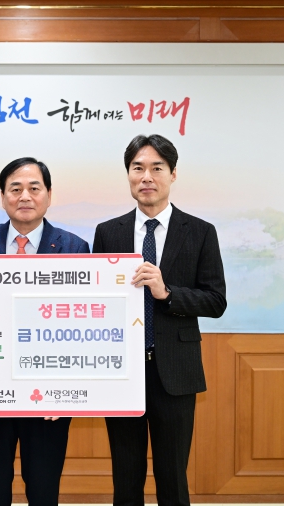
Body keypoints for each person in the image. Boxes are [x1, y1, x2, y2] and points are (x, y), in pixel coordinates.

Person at [93, 135, 226, 506]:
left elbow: (216, 301)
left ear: (173, 174)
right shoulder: (108, 232)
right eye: (138, 168)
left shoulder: (200, 231)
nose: (146, 177)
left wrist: (167, 293)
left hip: (176, 372)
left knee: (173, 477)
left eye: (157, 168)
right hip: (122, 371)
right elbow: (98, 302)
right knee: (126, 476)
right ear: (128, 175)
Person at [0, 157, 90, 506]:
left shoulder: (74, 248)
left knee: (43, 489)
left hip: (49, 392)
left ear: (48, 195)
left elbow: (81, 325)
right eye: (15, 188)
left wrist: (64, 389)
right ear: (3, 196)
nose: (24, 196)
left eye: (34, 188)